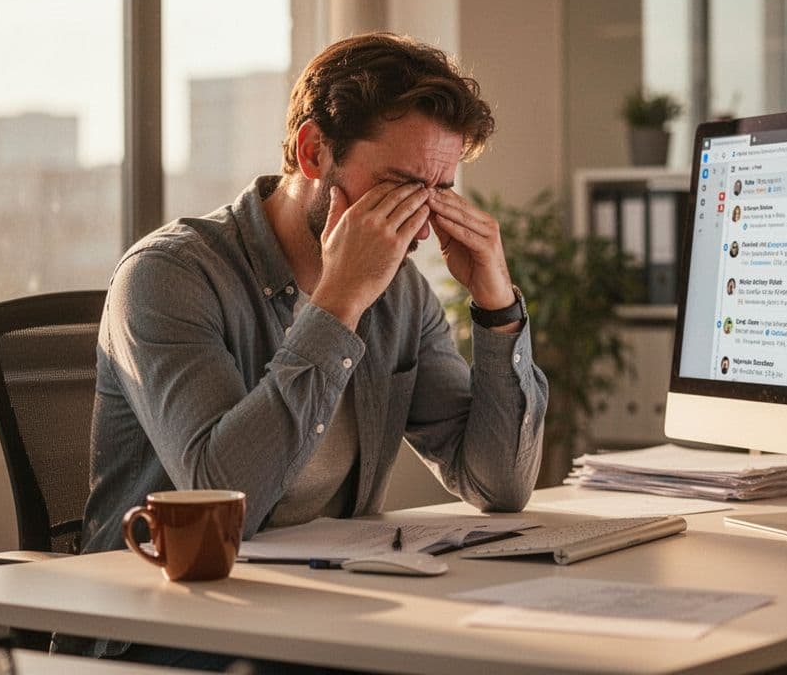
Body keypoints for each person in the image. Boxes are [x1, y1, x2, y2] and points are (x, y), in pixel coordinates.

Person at [71, 33, 550, 668]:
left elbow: (500, 485)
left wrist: (495, 304)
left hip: (328, 616)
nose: (418, 220)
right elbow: (223, 497)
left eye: (438, 192)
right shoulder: (168, 276)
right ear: (313, 151)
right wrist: (338, 302)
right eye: (398, 185)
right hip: (177, 633)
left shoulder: (401, 294)